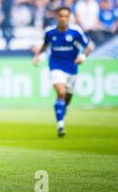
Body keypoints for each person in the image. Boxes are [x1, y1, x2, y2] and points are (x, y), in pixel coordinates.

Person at [33, 7, 93, 137]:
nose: (63, 18)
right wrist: (38, 55)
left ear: (69, 17)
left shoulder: (76, 31)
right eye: (61, 16)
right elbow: (45, 45)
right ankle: (60, 125)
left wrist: (82, 57)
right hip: (55, 66)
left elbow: (89, 46)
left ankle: (62, 109)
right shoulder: (50, 33)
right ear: (56, 17)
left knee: (67, 97)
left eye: (66, 16)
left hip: (72, 68)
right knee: (61, 92)